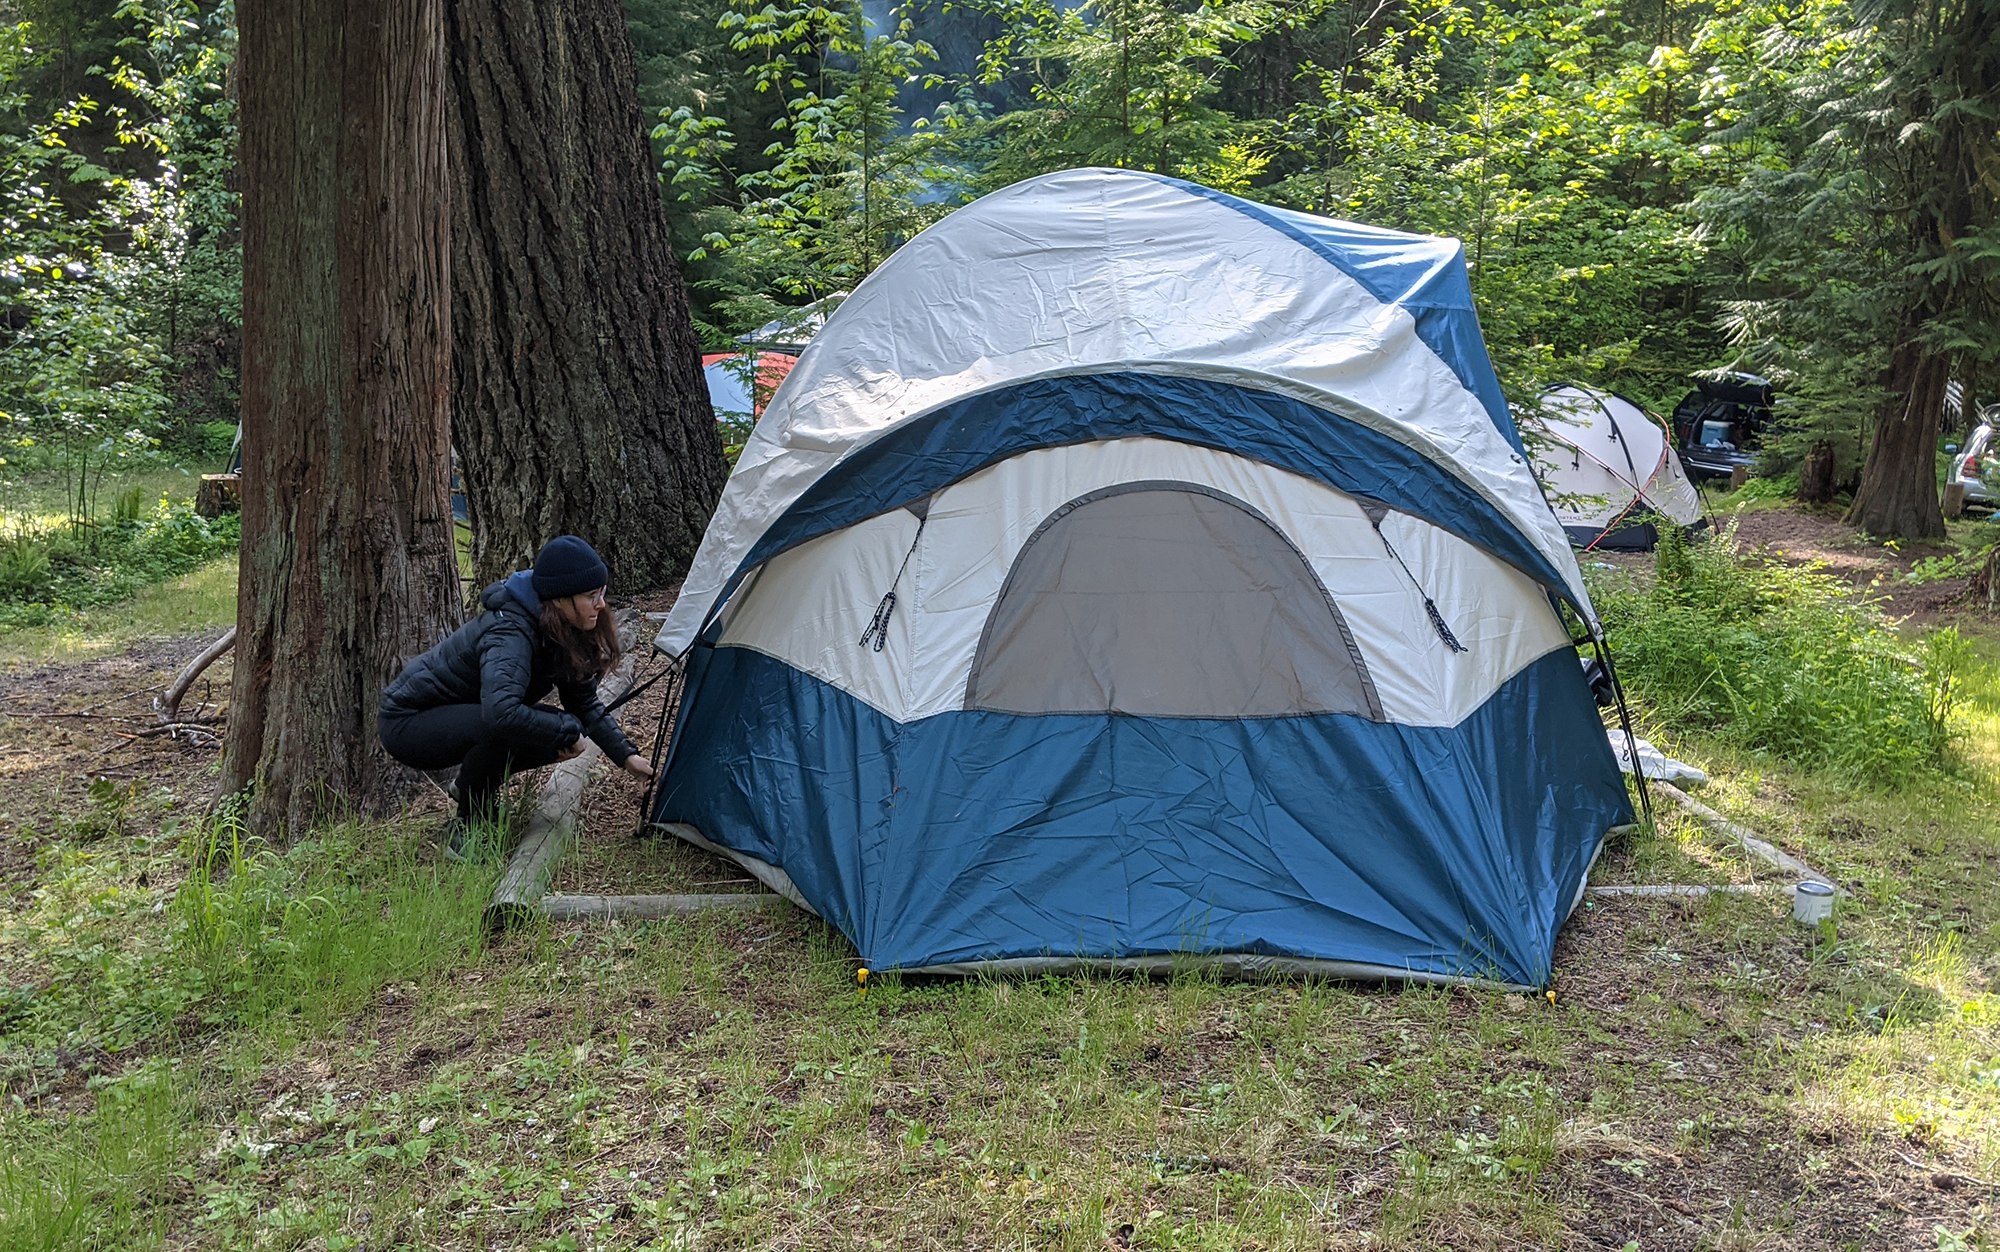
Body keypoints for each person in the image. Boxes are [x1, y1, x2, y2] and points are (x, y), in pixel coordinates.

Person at [380, 535, 652, 859]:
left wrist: (627, 757)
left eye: (602, 593)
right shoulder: (511, 631)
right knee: (526, 726)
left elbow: (583, 702)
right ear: (560, 599)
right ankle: (470, 830)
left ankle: (470, 786)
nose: (601, 604)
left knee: (553, 726)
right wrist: (565, 729)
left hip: (464, 716)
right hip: (409, 723)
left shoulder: (559, 626)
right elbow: (501, 714)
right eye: (591, 596)